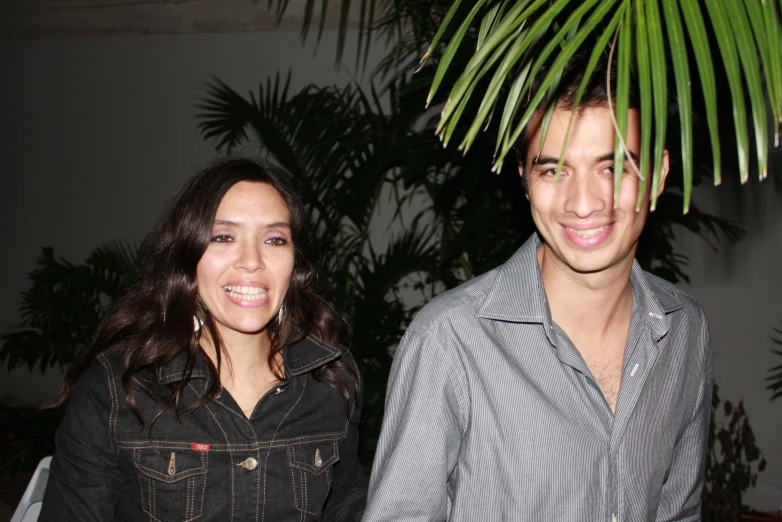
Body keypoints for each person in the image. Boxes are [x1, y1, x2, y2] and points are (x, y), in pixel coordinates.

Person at [363, 53, 712, 521]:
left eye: (612, 168)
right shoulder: (451, 340)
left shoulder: (685, 331)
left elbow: (680, 511)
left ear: (658, 175)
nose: (584, 203)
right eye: (553, 171)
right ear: (525, 181)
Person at [39, 157, 366, 521]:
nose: (252, 261)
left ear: (294, 261)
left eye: (274, 239)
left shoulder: (330, 379)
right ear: (188, 254)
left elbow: (346, 504)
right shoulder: (119, 388)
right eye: (224, 237)